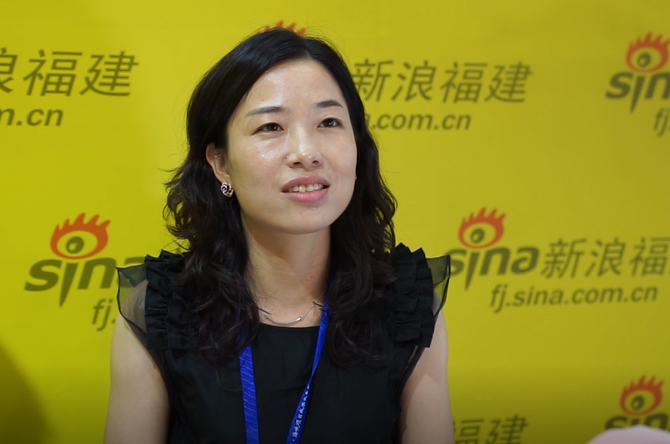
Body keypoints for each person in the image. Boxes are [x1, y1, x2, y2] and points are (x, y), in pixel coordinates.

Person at [105, 27, 453, 444]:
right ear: (220, 163)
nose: (306, 152)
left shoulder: (406, 306)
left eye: (328, 122)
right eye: (271, 127)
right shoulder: (162, 311)